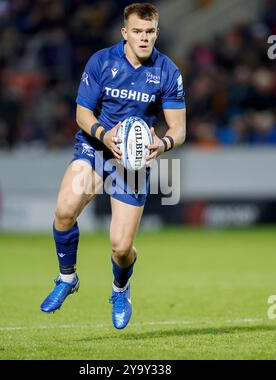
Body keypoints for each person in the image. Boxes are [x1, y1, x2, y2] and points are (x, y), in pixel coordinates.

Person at [40, 2, 186, 330]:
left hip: (132, 164)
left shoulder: (167, 71)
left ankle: (120, 289)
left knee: (121, 248)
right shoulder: (102, 62)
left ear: (157, 33)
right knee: (64, 211)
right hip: (95, 148)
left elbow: (179, 128)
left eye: (150, 32)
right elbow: (82, 115)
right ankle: (67, 278)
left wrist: (160, 144)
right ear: (125, 32)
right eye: (137, 31)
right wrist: (107, 138)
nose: (144, 38)